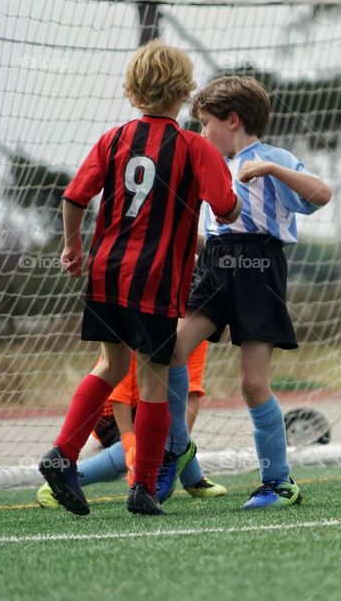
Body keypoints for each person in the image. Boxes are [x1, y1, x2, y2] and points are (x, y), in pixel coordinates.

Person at [38, 41, 241, 516]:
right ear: (186, 91)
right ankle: (143, 487)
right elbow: (226, 207)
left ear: (132, 90)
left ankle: (62, 453)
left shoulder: (112, 140)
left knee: (109, 366)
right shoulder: (193, 146)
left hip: (106, 272)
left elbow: (74, 197)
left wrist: (72, 247)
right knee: (151, 378)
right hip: (154, 281)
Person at [166, 75, 331, 510]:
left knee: (252, 383)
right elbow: (210, 231)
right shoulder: (209, 163)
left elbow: (322, 194)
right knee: (171, 350)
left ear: (232, 120)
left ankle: (278, 482)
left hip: (260, 269)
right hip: (217, 266)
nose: (202, 133)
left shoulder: (272, 158)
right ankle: (177, 448)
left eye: (206, 123)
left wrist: (274, 169)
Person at [36, 341, 227, 508]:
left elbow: (191, 391)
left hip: (152, 410)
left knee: (170, 435)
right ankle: (55, 485)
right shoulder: (148, 321)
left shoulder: (195, 333)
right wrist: (129, 443)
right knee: (139, 447)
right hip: (114, 415)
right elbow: (119, 394)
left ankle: (193, 481)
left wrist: (174, 449)